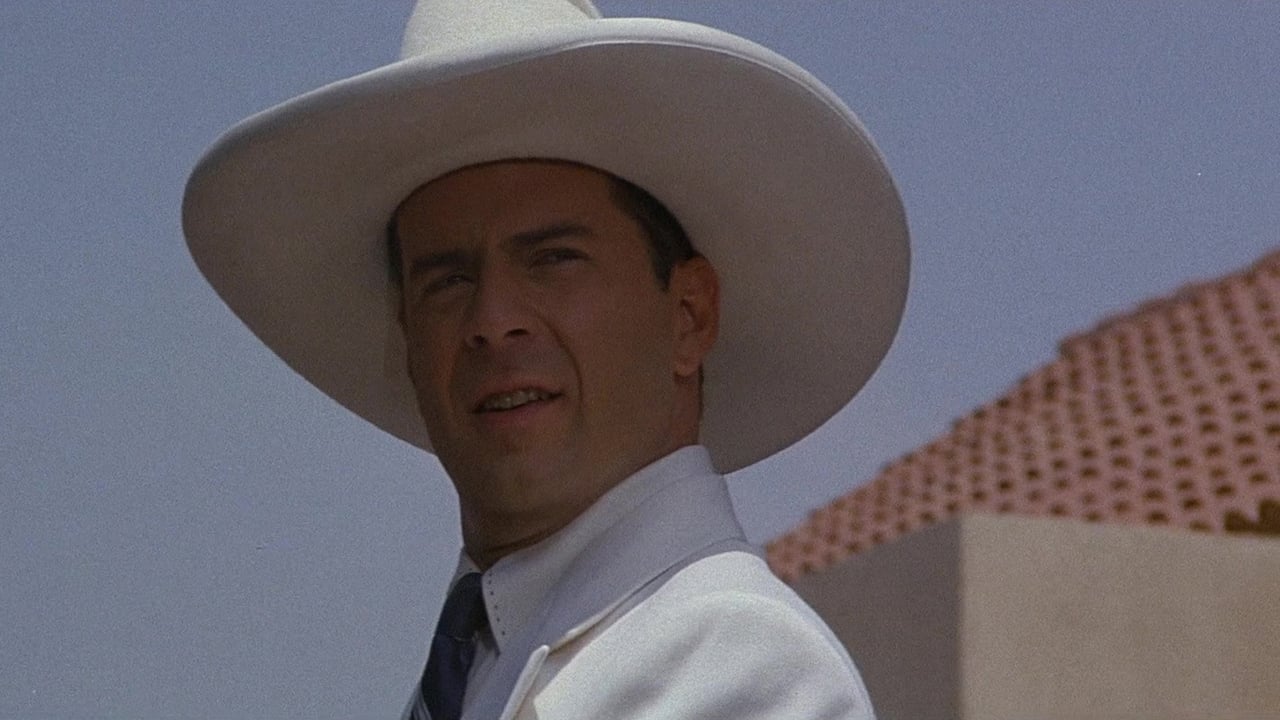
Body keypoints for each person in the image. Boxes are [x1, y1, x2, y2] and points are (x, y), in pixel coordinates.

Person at [183, 2, 909, 718]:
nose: (491, 321)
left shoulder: (740, 661)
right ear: (409, 340)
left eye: (555, 259)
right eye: (447, 281)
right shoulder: (484, 668)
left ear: (688, 316)